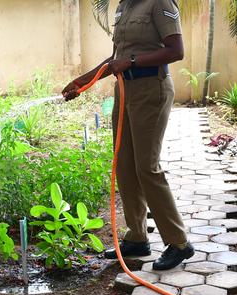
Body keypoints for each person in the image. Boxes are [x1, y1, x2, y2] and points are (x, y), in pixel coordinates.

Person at [62, 0, 193, 271]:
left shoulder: (159, 3)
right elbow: (115, 60)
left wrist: (132, 61)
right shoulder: (124, 7)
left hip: (152, 90)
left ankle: (179, 242)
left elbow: (176, 51)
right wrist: (83, 82)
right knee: (124, 164)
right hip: (126, 91)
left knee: (146, 166)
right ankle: (137, 237)